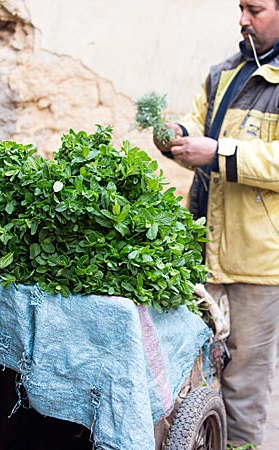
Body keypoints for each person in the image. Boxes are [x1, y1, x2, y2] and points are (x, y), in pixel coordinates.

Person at [154, 0, 279, 448]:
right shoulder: (224, 72)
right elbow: (197, 121)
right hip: (203, 253)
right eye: (241, 7)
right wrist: (177, 135)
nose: (243, 18)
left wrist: (217, 153)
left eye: (256, 9)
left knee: (244, 389)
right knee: (195, 376)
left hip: (256, 264)